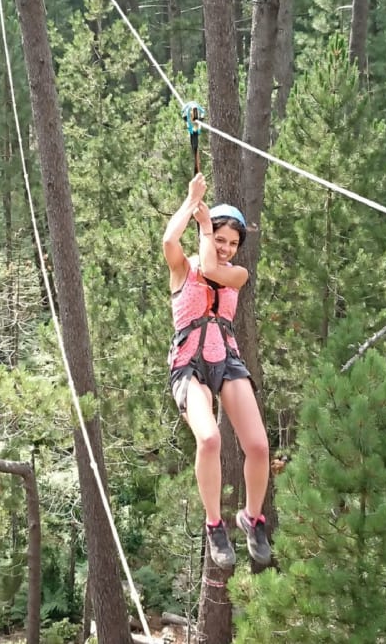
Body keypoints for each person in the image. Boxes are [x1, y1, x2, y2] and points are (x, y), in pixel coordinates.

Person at [163, 172, 271, 567]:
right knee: (209, 440)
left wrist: (207, 226)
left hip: (226, 360)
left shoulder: (236, 275)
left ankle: (252, 516)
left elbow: (211, 266)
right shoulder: (182, 269)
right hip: (189, 363)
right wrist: (191, 202)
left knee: (258, 446)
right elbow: (169, 241)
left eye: (232, 243)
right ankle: (214, 525)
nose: (226, 248)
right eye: (220, 239)